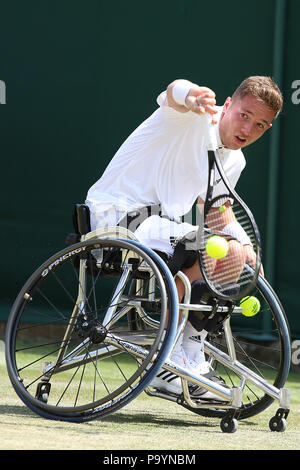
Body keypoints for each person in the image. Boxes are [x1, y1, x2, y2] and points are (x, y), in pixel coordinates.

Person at [85, 76, 283, 398]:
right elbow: (173, 92)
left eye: (260, 125)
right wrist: (190, 96)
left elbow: (220, 214)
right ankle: (167, 353)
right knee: (219, 248)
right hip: (118, 215)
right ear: (228, 105)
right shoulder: (194, 116)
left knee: (236, 254)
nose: (247, 130)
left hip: (160, 226)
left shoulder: (234, 159)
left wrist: (249, 250)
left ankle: (188, 351)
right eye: (244, 115)